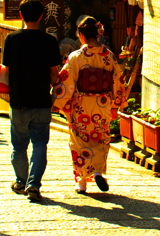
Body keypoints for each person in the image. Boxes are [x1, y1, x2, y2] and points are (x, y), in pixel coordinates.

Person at [54, 16, 128, 194]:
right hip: (102, 104)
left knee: (79, 141)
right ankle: (97, 171)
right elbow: (118, 81)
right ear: (98, 34)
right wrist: (115, 105)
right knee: (100, 138)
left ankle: (81, 182)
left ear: (81, 35)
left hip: (80, 105)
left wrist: (57, 103)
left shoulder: (76, 57)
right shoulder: (108, 57)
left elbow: (66, 82)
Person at [2, 0, 61, 203]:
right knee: (40, 143)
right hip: (41, 100)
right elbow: (54, 74)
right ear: (42, 16)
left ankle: (20, 181)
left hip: (18, 99)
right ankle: (34, 184)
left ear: (21, 15)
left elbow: (7, 71)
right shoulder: (49, 41)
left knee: (19, 145)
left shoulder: (11, 39)